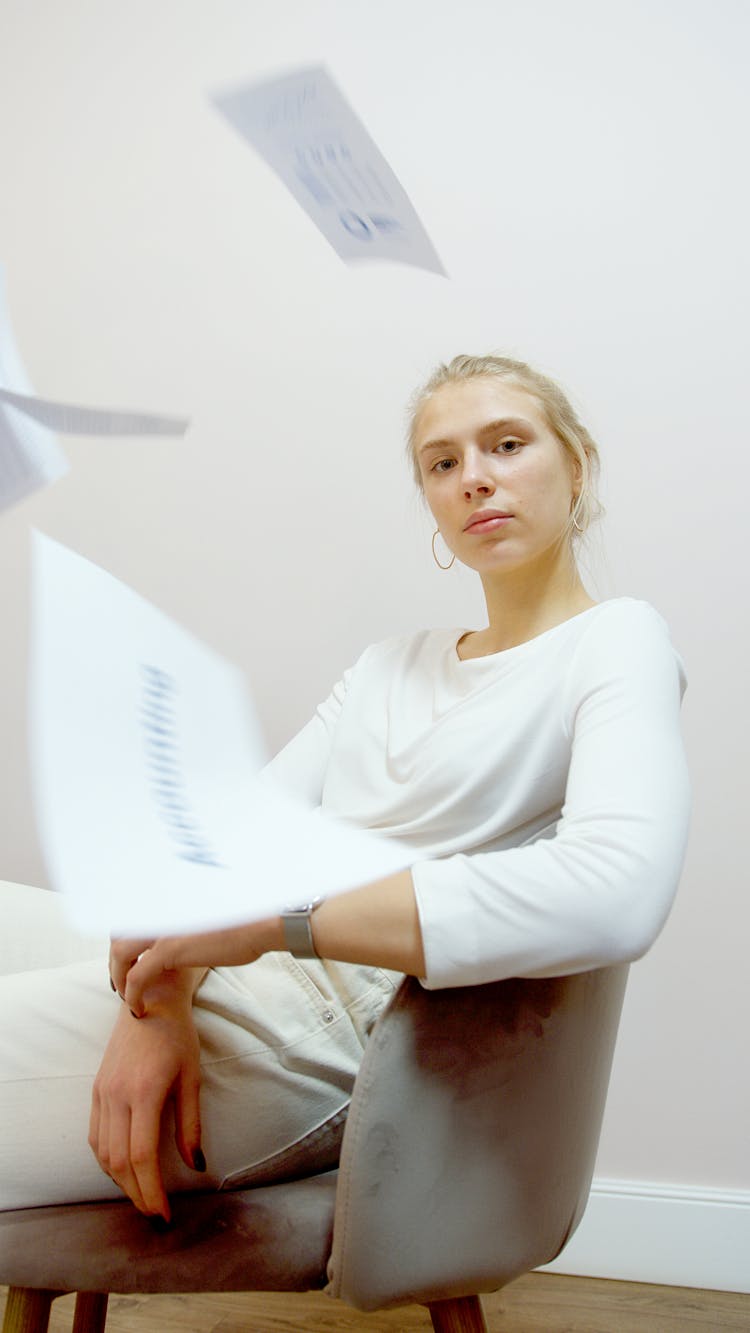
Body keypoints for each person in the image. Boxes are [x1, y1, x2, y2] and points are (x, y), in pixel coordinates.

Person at [0, 354, 690, 1224]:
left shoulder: (615, 641)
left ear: (576, 463)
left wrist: (272, 924)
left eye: (506, 445)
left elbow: (617, 892)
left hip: (318, 1034)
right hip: (224, 979)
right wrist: (159, 999)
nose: (474, 478)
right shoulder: (386, 668)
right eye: (443, 463)